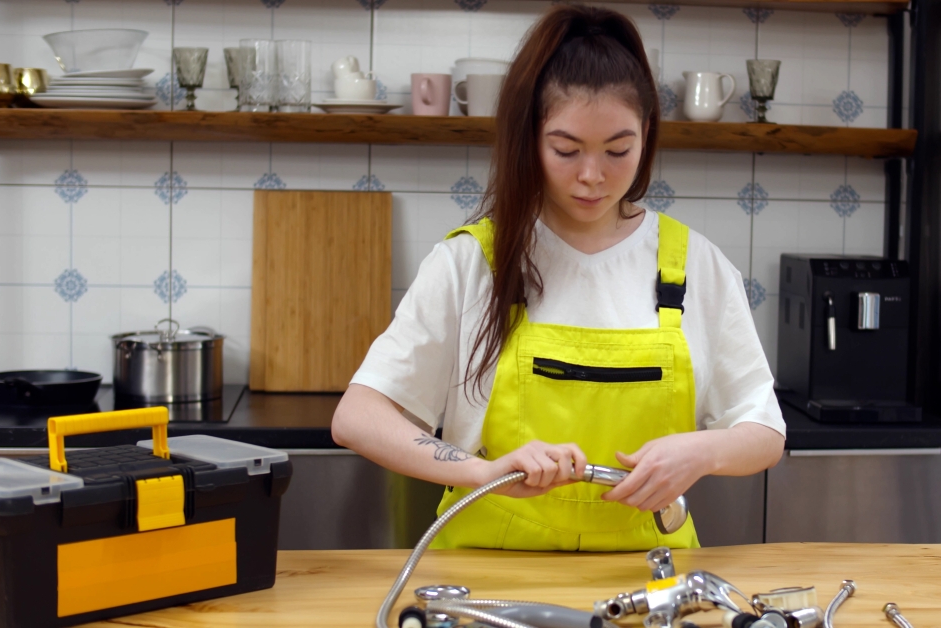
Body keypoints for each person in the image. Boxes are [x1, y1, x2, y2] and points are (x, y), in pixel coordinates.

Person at [331, 4, 785, 552]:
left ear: (646, 134)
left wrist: (701, 451)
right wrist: (485, 472)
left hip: (648, 574)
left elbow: (763, 431)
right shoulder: (474, 262)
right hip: (489, 575)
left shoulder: (695, 266)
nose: (592, 176)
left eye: (618, 150)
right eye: (566, 150)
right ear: (530, 139)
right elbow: (358, 417)